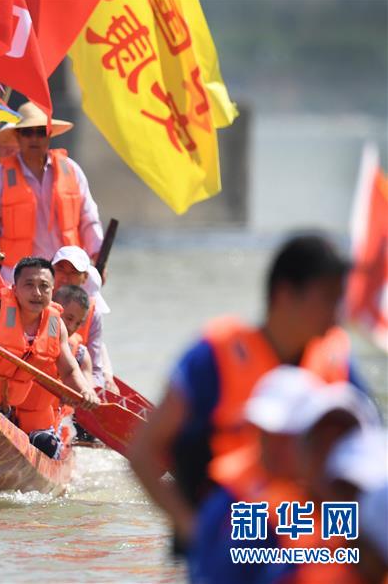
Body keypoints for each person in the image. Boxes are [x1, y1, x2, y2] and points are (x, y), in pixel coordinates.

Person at [129, 233, 372, 556]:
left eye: (339, 299)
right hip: (236, 540)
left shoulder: (336, 358)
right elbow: (143, 451)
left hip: (314, 546)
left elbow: (370, 457)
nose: (336, 314)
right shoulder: (215, 354)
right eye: (328, 298)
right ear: (286, 295)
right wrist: (192, 528)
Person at [188, 366, 378, 584]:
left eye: (342, 442)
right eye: (265, 433)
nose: (331, 454)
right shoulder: (252, 516)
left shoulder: (375, 511)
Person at [0, 257, 100, 458]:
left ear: (52, 291)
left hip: (10, 412)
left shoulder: (55, 325)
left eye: (44, 287)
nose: (37, 293)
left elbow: (69, 370)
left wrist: (85, 391)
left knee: (48, 447)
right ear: (15, 288)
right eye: (29, 285)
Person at [0, 101, 104, 283]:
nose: (34, 138)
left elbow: (88, 218)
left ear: (49, 135)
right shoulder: (0, 175)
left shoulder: (71, 170)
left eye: (40, 132)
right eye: (27, 132)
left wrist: (98, 255)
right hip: (18, 276)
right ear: (18, 136)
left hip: (67, 273)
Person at [51, 246, 114, 392]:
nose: (65, 278)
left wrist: (89, 392)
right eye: (60, 269)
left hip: (74, 383)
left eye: (73, 272)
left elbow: (95, 370)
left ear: (84, 277)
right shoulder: (39, 298)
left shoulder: (93, 313)